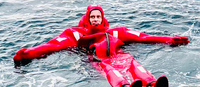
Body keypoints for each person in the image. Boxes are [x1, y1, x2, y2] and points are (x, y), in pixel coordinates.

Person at [13, 5, 189, 87]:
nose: (95, 19)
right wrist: (29, 53)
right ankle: (123, 86)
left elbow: (144, 37)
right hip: (95, 59)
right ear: (88, 19)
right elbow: (52, 45)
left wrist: (170, 39)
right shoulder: (76, 34)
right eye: (93, 17)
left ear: (102, 19)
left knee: (130, 61)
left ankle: (151, 83)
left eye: (98, 17)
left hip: (117, 55)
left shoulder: (115, 33)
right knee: (108, 68)